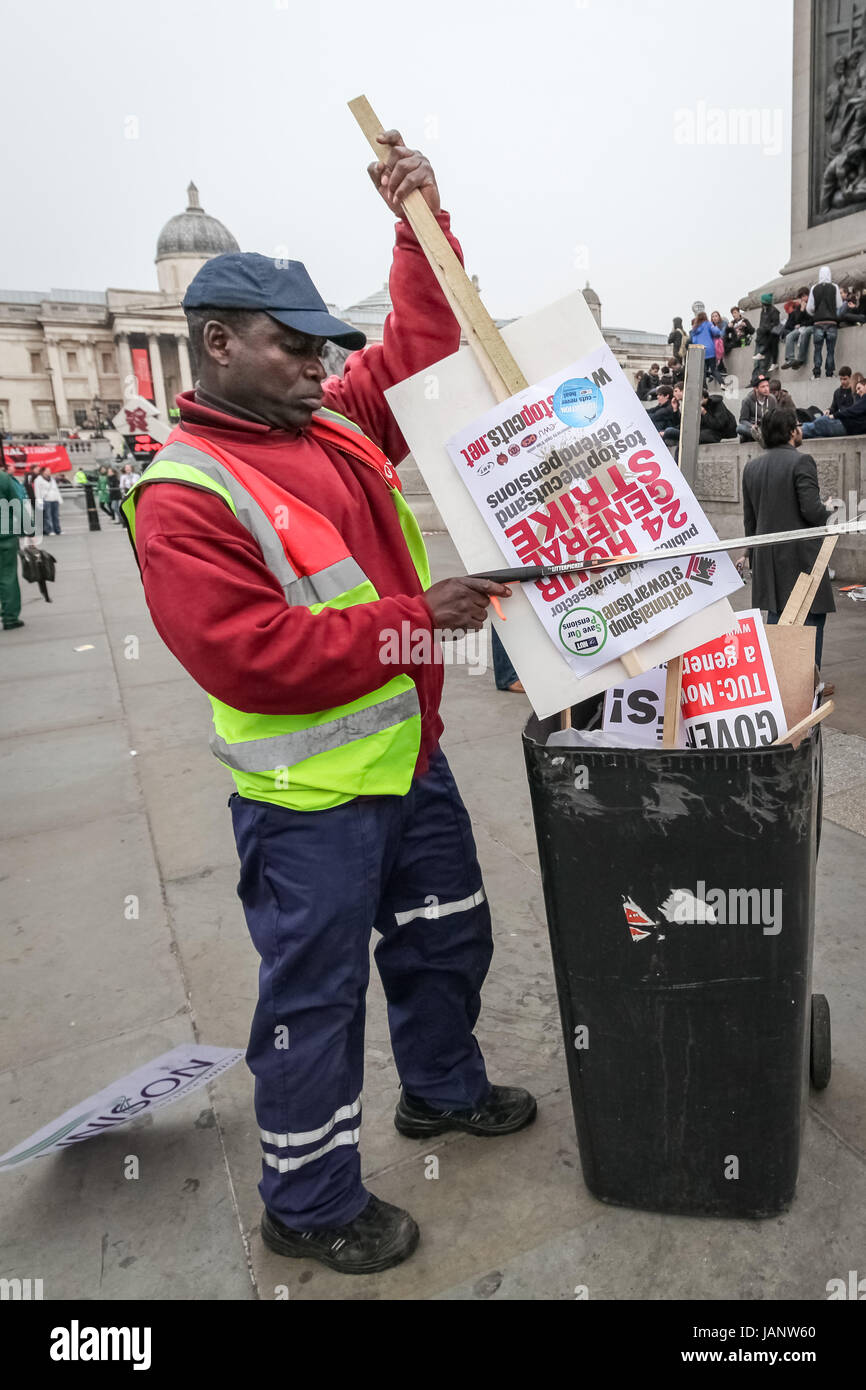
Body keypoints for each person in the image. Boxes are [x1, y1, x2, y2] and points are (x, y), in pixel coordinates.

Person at [120, 130, 535, 1275]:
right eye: (292, 346)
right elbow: (248, 654)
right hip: (308, 800)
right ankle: (306, 1200)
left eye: (321, 348)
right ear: (215, 344)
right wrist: (420, 620)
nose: (318, 361)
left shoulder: (336, 421)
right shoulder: (183, 491)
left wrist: (418, 223)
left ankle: (441, 1094)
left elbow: (417, 340)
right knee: (313, 1004)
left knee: (446, 938)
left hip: (412, 762)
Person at [742, 406, 835, 670]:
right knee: (810, 620)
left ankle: (779, 682)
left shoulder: (751, 467)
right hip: (800, 558)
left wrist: (749, 554)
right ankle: (807, 686)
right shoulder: (801, 461)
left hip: (767, 559)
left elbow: (750, 519)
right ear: (790, 431)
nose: (801, 429)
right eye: (798, 425)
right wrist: (830, 507)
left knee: (778, 619)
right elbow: (812, 511)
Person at [0, 462, 26, 630]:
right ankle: (10, 617)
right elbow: (17, 505)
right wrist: (28, 527)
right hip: (4, 535)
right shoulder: (3, 478)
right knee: (7, 576)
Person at [807, 264, 844, 379]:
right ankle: (829, 373)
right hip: (831, 322)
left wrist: (816, 314)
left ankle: (817, 374)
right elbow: (839, 305)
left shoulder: (814, 288)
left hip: (818, 323)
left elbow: (809, 308)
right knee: (830, 350)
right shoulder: (835, 287)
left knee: (817, 350)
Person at [801, 376, 866, 436]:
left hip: (844, 425)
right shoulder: (838, 392)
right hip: (845, 425)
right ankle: (795, 430)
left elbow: (853, 410)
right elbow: (835, 407)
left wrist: (834, 415)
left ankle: (793, 432)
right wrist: (829, 411)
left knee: (819, 423)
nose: (857, 392)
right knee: (814, 424)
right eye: (856, 389)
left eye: (859, 388)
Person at [751, 293, 781, 383]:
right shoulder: (763, 310)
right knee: (756, 363)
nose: (763, 304)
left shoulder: (774, 311)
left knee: (763, 364)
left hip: (767, 340)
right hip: (760, 338)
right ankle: (754, 380)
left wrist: (765, 328)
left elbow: (776, 325)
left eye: (764, 303)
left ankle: (760, 381)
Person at [780, 289, 813, 369]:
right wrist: (802, 310)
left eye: (804, 296)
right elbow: (797, 320)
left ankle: (800, 359)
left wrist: (802, 323)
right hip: (801, 327)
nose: (803, 298)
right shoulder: (799, 307)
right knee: (789, 336)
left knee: (805, 333)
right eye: (801, 297)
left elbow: (813, 319)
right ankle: (790, 359)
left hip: (811, 326)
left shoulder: (812, 304)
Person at [688, 306, 723, 383]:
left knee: (702, 371)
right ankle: (722, 383)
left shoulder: (694, 328)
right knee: (713, 369)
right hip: (710, 350)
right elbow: (716, 332)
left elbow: (693, 341)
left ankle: (704, 388)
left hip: (700, 351)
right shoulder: (708, 324)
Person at [737, 375, 777, 440]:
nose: (766, 389)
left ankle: (759, 437)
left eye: (767, 386)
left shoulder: (772, 399)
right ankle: (761, 436)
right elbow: (743, 420)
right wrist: (751, 426)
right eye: (763, 387)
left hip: (768, 428)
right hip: (755, 428)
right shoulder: (747, 400)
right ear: (756, 388)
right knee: (740, 428)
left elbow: (775, 416)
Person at [34, 465, 62, 534]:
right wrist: (39, 502)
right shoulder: (38, 480)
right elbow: (37, 492)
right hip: (46, 500)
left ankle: (57, 530)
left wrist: (59, 499)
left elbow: (56, 489)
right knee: (47, 516)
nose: (49, 472)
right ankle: (50, 530)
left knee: (56, 516)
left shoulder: (52, 479)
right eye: (47, 471)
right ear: (43, 472)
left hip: (54, 499)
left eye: (49, 471)